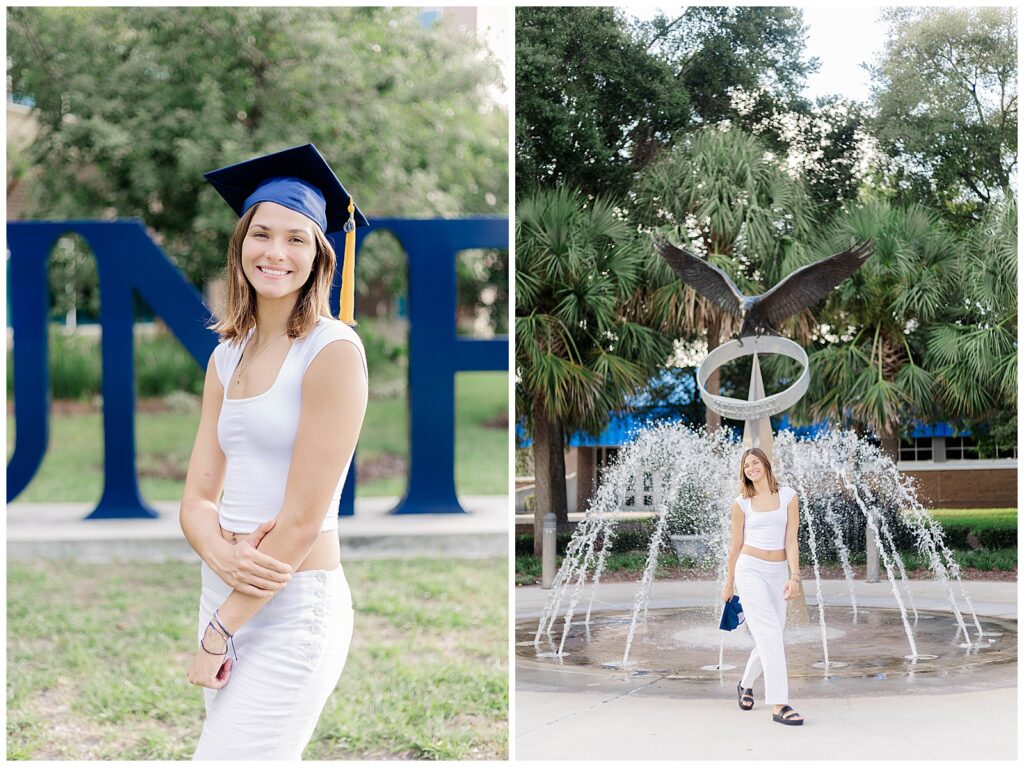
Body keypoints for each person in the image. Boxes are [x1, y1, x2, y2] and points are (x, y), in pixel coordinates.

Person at [179, 143, 370, 758]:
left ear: (319, 255)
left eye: (296, 239)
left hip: (292, 609)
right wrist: (221, 555)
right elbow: (198, 497)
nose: (276, 252)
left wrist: (219, 633)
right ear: (240, 245)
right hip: (225, 590)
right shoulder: (225, 356)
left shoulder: (332, 352)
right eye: (262, 234)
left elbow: (302, 521)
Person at [720, 447, 805, 726]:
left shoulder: (789, 496)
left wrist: (794, 577)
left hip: (778, 571)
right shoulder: (741, 503)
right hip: (750, 569)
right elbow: (735, 547)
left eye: (755, 462)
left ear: (765, 464)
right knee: (768, 633)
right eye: (746, 465)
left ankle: (745, 684)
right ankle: (779, 704)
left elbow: (791, 540)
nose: (751, 468)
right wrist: (728, 583)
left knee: (773, 635)